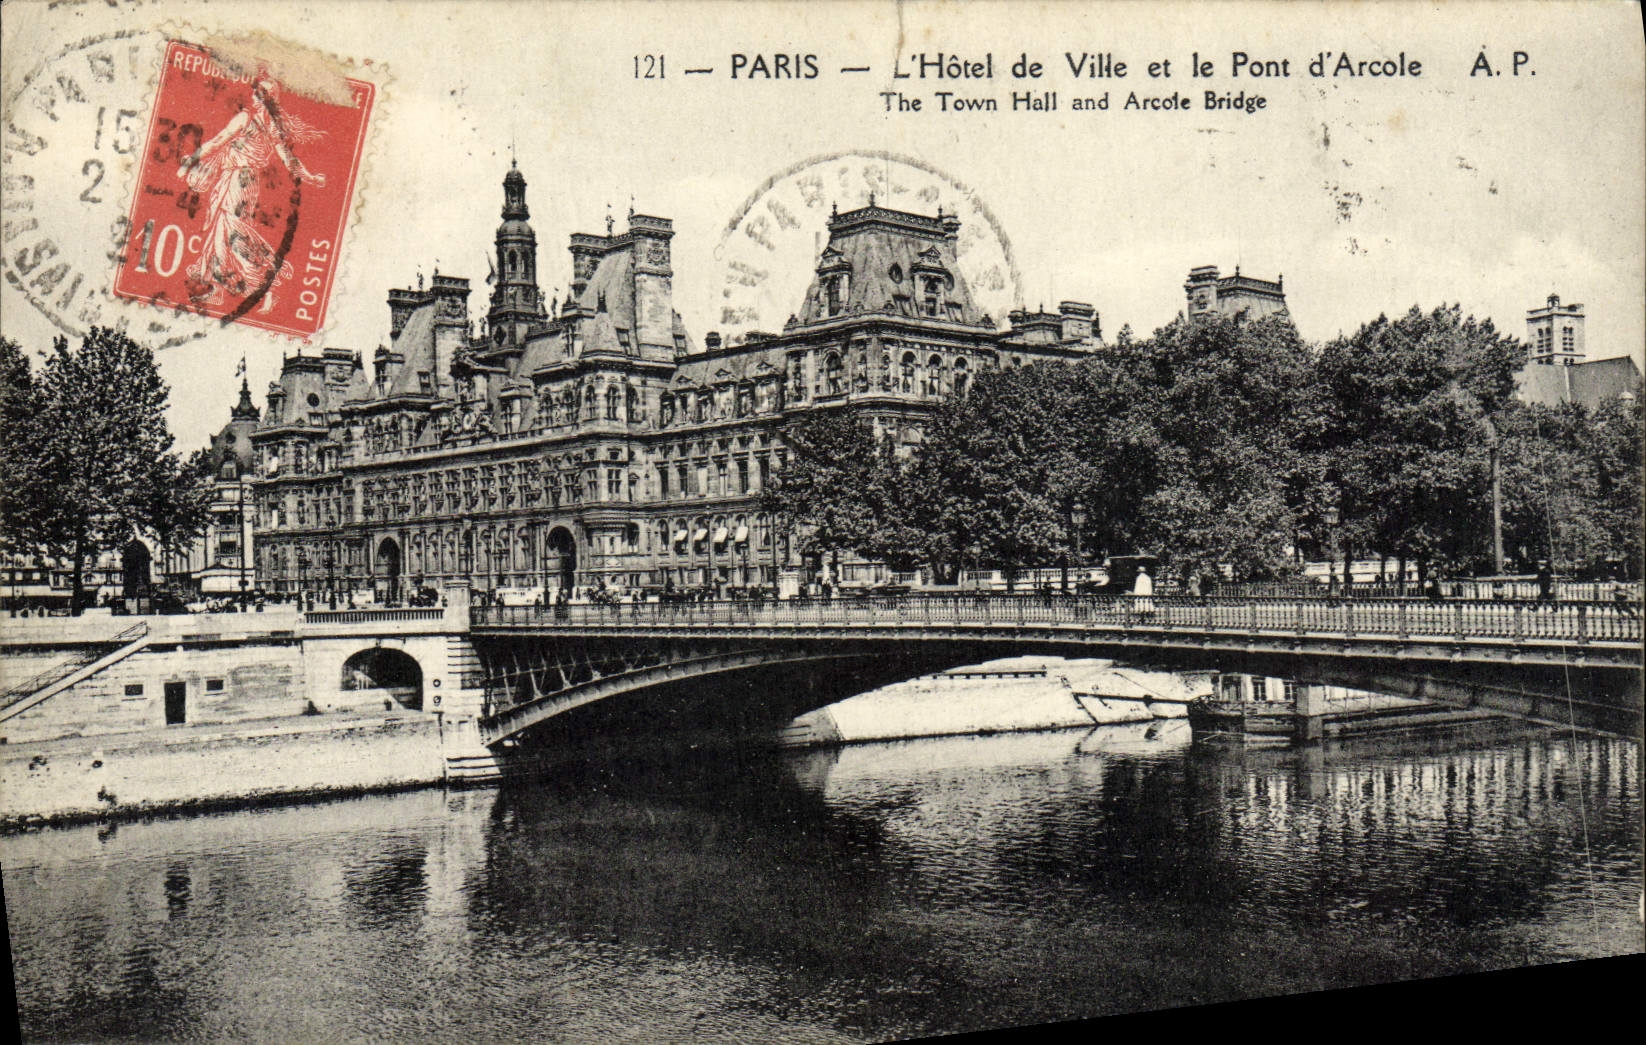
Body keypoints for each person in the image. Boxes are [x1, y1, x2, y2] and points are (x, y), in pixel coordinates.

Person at [177, 74, 327, 313]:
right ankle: (209, 285)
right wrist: (311, 177)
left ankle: (265, 288)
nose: (255, 96)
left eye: (261, 93)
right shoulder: (272, 127)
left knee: (229, 234)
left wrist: (189, 162)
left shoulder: (246, 119)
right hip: (247, 184)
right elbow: (289, 160)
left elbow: (217, 141)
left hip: (237, 180)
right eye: (257, 92)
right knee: (222, 234)